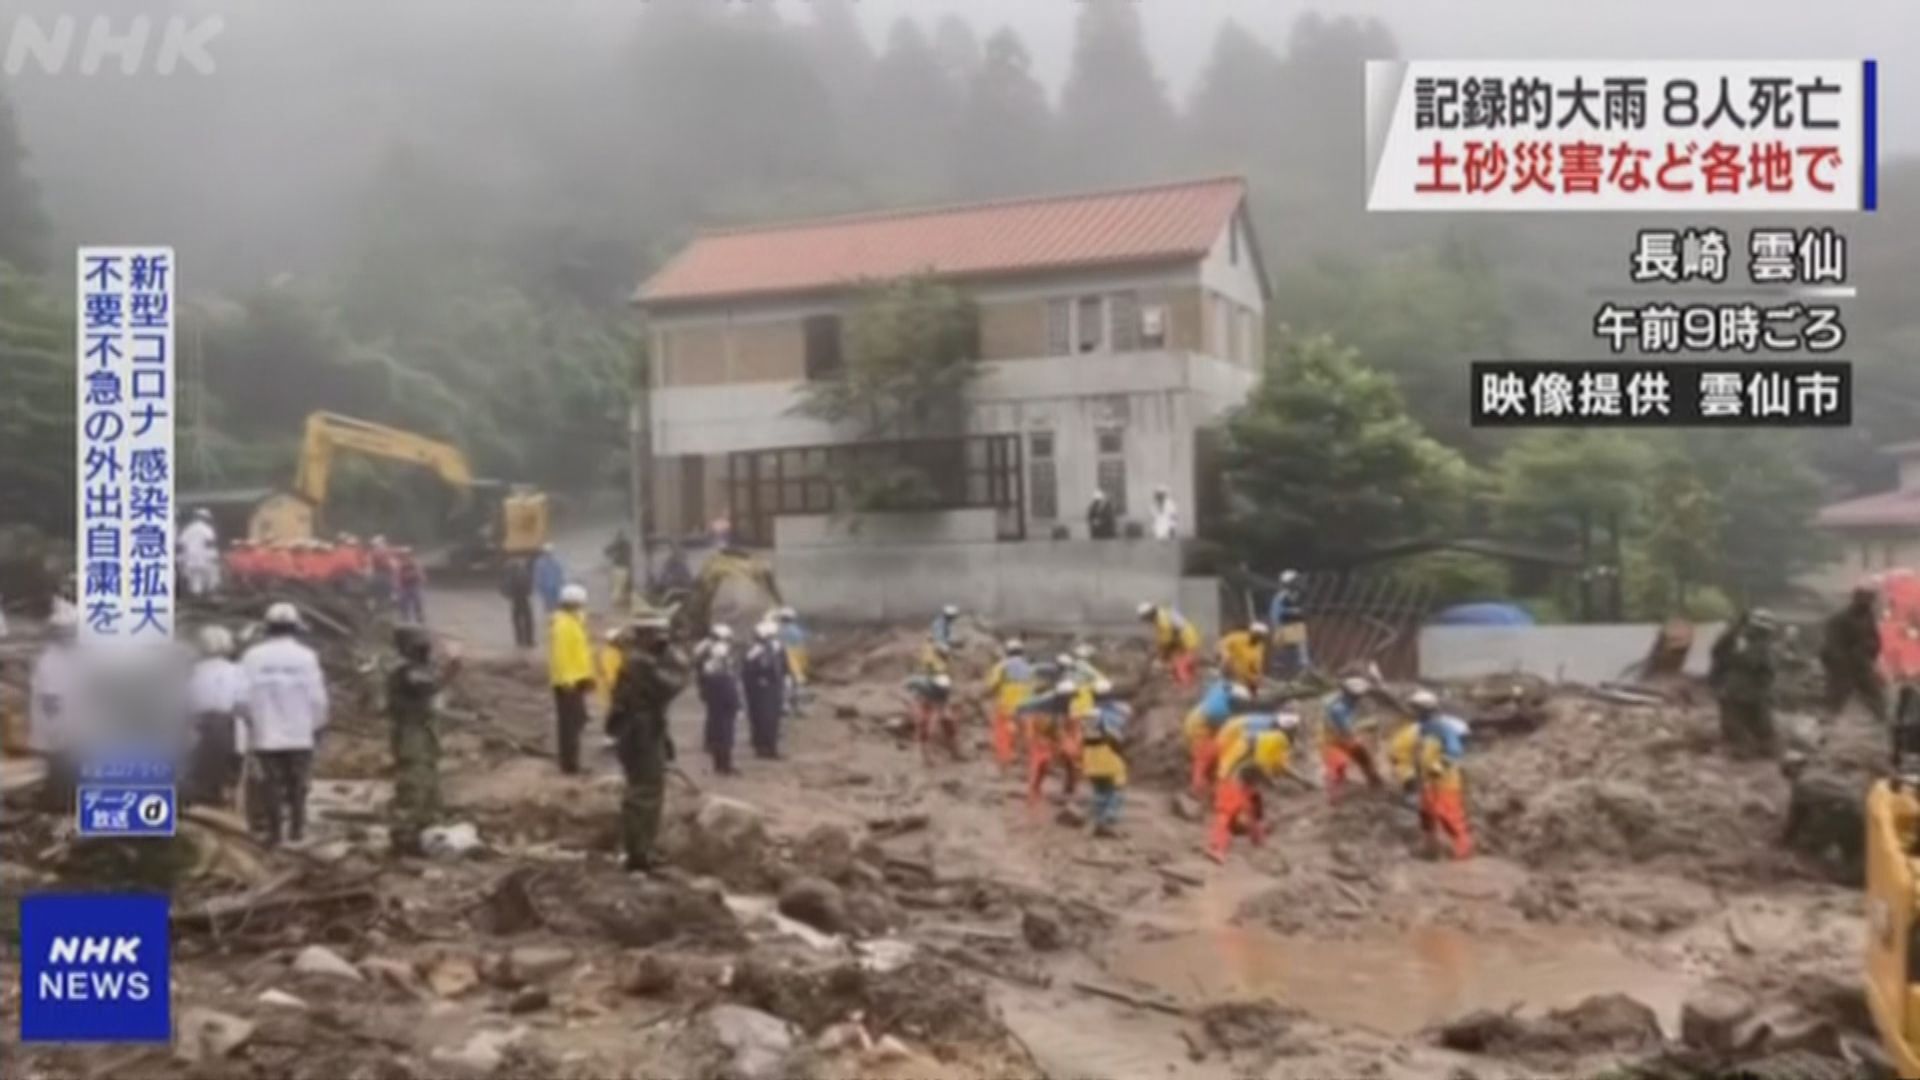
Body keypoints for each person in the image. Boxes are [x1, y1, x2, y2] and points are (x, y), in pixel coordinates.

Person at [239, 602, 330, 847]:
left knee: (269, 783)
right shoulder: (306, 657)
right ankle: (297, 828)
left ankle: (275, 831)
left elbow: (243, 697)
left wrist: (249, 726)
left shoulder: (252, 657)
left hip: (265, 732)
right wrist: (318, 726)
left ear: (267, 628)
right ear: (295, 628)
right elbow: (317, 698)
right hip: (300, 732)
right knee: (298, 781)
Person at [606, 610, 689, 873]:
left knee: (644, 791)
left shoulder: (636, 658)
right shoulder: (640, 662)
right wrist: (671, 653)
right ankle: (638, 854)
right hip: (641, 731)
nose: (662, 640)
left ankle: (639, 849)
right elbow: (673, 684)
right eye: (658, 635)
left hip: (639, 728)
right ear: (646, 636)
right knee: (645, 792)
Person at [388, 624, 459, 857]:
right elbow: (430, 685)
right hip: (412, 734)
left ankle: (427, 827)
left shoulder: (416, 668)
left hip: (423, 732)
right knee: (414, 782)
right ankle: (405, 834)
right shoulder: (405, 671)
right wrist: (453, 666)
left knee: (429, 782)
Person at [1206, 711, 1311, 863]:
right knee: (1228, 814)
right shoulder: (1277, 739)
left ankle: (1258, 842)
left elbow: (1279, 765)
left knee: (1254, 810)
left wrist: (1302, 780)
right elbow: (1260, 765)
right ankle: (1217, 848)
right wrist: (1270, 781)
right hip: (1235, 777)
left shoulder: (1273, 739)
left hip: (1242, 777)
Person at [1408, 689, 1474, 860]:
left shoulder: (1442, 727)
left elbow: (1454, 750)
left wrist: (1439, 766)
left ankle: (1463, 848)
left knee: (1449, 815)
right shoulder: (1423, 729)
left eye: (1416, 709)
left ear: (1425, 709)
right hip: (1428, 781)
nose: (1413, 712)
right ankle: (1431, 848)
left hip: (1446, 781)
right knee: (1427, 815)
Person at [186, 626, 247, 807]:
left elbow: (184, 702)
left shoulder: (192, 672)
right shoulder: (238, 671)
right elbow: (243, 701)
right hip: (229, 727)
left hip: (198, 727)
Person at [29, 607, 81, 814]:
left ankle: (63, 803)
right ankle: (55, 807)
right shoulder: (50, 660)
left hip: (71, 724)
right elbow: (51, 699)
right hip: (58, 725)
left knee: (68, 768)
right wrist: (58, 731)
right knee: (60, 769)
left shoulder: (71, 656)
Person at [1716, 610, 1780, 758]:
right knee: (1740, 728)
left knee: (1760, 730)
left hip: (1746, 695)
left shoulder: (1758, 648)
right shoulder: (1743, 644)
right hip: (1740, 694)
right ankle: (1748, 747)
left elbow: (1765, 672)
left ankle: (1750, 748)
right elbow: (1720, 652)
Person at [548, 584, 595, 775]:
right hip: (567, 683)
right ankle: (569, 765)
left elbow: (580, 652)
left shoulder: (573, 621)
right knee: (569, 725)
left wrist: (587, 677)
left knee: (577, 721)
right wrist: (568, 682)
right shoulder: (563, 625)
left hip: (577, 679)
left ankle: (571, 760)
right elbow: (561, 656)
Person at [1822, 585, 1887, 722]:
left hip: (1862, 664)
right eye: (1865, 600)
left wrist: (1870, 651)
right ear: (1856, 599)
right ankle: (1829, 723)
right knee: (1837, 698)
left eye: (1870, 600)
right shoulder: (1839, 619)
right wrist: (1842, 662)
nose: (1868, 604)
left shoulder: (1868, 617)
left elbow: (1875, 639)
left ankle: (1882, 721)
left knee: (1875, 695)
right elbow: (1832, 645)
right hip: (1844, 667)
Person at [1018, 678, 1083, 806]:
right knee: (1041, 762)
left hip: (1057, 734)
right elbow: (1030, 725)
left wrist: (1075, 742)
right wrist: (1033, 738)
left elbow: (1074, 726)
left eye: (1070, 697)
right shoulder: (1041, 707)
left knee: (1071, 757)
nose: (1069, 699)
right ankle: (1034, 789)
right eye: (1067, 697)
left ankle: (1070, 787)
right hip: (1042, 735)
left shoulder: (1069, 708)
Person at [1183, 676, 1251, 795]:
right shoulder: (1220, 711)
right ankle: (1198, 788)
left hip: (1195, 718)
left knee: (1209, 756)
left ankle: (1205, 783)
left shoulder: (1223, 688)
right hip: (1198, 727)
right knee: (1204, 756)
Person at [1321, 676, 1384, 801]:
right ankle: (1374, 782)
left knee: (1344, 762)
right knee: (1361, 758)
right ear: (1352, 695)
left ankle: (1339, 787)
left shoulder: (1342, 702)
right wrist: (1366, 726)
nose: (1360, 697)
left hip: (1334, 738)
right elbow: (1346, 729)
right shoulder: (1339, 708)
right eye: (1358, 695)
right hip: (1337, 739)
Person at [1082, 680, 1130, 837]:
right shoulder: (1112, 713)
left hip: (1090, 756)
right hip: (1107, 754)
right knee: (1117, 788)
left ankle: (1097, 819)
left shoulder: (1088, 713)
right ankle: (1107, 821)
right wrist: (1122, 751)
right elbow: (1116, 736)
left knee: (1099, 789)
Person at [984, 639, 1034, 770]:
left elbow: (992, 685)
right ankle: (1030, 759)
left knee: (1003, 732)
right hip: (1026, 705)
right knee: (1027, 732)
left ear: (1007, 652)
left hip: (1007, 705)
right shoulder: (1028, 667)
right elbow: (1034, 687)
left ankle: (1005, 760)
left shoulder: (1002, 666)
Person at [742, 620, 786, 760]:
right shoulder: (757, 651)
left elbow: (783, 668)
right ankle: (767, 747)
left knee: (768, 718)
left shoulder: (775, 648)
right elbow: (748, 671)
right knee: (766, 718)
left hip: (771, 688)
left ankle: (764, 746)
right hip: (763, 689)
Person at [698, 639, 742, 775]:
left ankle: (719, 765)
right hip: (725, 708)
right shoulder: (723, 672)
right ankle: (725, 766)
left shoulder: (708, 668)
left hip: (714, 707)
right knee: (726, 737)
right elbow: (731, 691)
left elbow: (703, 691)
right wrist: (737, 706)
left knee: (717, 735)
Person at [1138, 602, 1201, 688]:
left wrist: (1160, 654)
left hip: (1187, 640)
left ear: (1149, 614)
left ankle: (1186, 688)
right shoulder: (1161, 615)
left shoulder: (1162, 620)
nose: (1147, 621)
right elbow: (1163, 638)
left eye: (1146, 618)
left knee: (1181, 665)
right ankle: (1185, 685)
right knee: (1178, 665)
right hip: (1181, 641)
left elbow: (1166, 640)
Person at [905, 671, 960, 764]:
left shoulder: (946, 689)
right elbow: (907, 685)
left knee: (949, 723)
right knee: (924, 726)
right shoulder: (922, 685)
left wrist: (941, 713)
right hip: (922, 701)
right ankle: (926, 758)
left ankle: (955, 752)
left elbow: (943, 703)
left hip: (937, 701)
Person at [1267, 570, 1310, 677]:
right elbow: (1275, 613)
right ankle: (1286, 673)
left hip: (1293, 626)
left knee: (1296, 651)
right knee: (1289, 652)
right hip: (1287, 626)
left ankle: (1300, 672)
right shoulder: (1282, 596)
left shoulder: (1295, 595)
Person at [179, 509, 221, 597]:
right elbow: (210, 542)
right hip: (205, 556)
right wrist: (214, 555)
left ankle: (196, 596)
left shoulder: (188, 529)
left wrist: (183, 558)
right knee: (209, 576)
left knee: (195, 578)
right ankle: (208, 596)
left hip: (191, 557)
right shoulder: (206, 529)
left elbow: (181, 543)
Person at [777, 608, 809, 716]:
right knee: (798, 683)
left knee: (785, 683)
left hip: (784, 659)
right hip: (796, 659)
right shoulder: (797, 631)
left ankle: (785, 706)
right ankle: (799, 707)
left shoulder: (779, 631)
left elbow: (777, 647)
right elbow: (802, 648)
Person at [1217, 622, 1269, 689]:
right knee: (1227, 659)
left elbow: (1257, 666)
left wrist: (1258, 676)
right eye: (1257, 635)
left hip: (1244, 676)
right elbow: (1222, 644)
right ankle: (1223, 681)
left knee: (1255, 679)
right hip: (1231, 670)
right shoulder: (1238, 637)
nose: (1258, 638)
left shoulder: (1259, 647)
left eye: (1261, 636)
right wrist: (1225, 653)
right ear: (1251, 632)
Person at [503, 555, 536, 650]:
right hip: (523, 597)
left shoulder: (509, 571)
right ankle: (529, 641)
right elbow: (528, 584)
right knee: (528, 619)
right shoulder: (522, 571)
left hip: (515, 598)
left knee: (517, 619)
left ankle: (520, 640)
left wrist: (508, 594)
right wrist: (529, 591)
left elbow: (506, 584)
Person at [395, 548, 427, 624]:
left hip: (414, 584)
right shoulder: (400, 564)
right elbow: (397, 574)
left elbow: (419, 572)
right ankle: (404, 615)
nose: (406, 556)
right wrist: (398, 584)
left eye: (408, 554)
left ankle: (419, 615)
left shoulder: (415, 563)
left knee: (417, 599)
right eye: (404, 554)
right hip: (404, 585)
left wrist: (422, 578)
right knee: (402, 600)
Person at [533, 544, 566, 617]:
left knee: (557, 605)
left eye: (550, 552)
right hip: (547, 589)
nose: (549, 554)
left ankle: (556, 618)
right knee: (549, 606)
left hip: (555, 587)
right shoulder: (540, 563)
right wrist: (539, 589)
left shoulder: (555, 561)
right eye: (547, 552)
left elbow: (560, 574)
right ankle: (552, 619)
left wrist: (562, 584)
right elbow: (538, 578)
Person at [605, 531, 635, 612]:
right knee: (626, 589)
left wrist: (613, 555)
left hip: (619, 568)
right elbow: (607, 551)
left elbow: (606, 551)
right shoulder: (627, 545)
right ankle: (622, 608)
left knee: (617, 592)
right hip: (625, 568)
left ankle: (617, 610)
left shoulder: (618, 544)